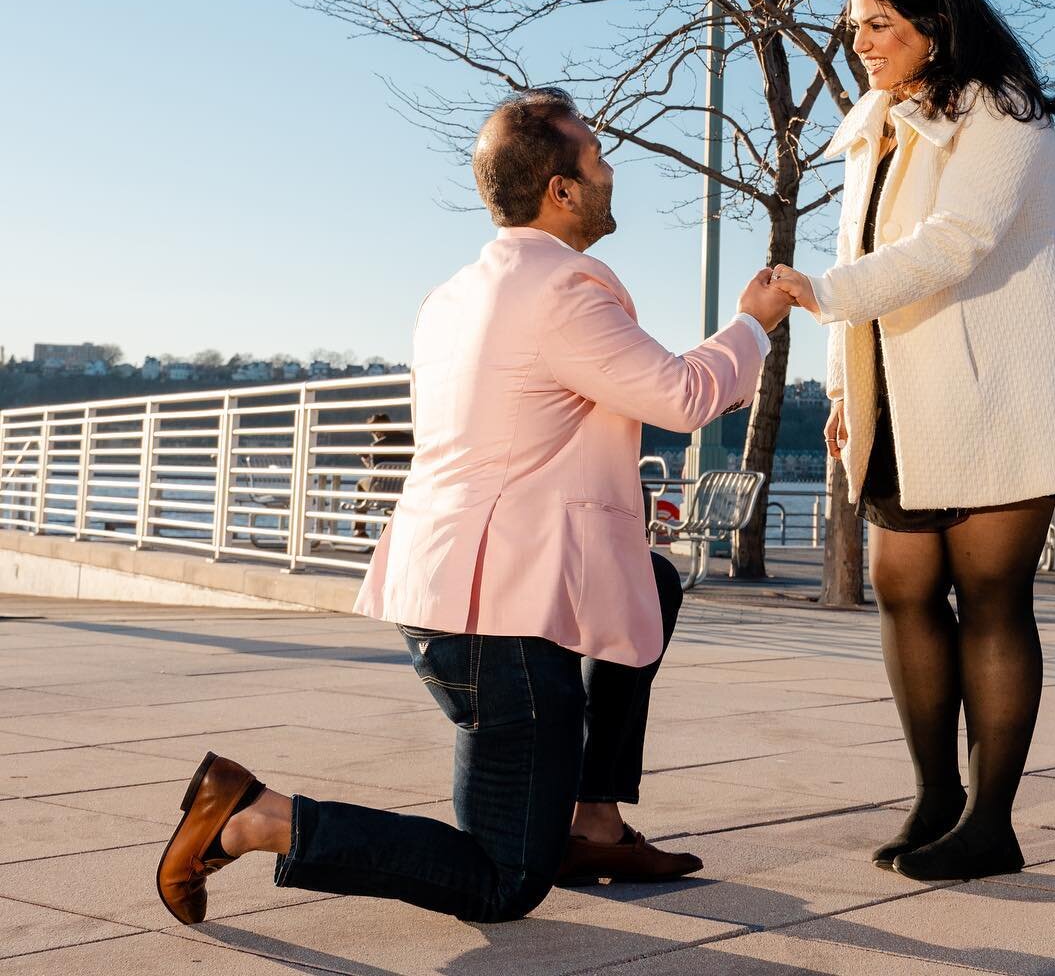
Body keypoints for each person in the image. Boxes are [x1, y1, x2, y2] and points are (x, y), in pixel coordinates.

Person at [157, 87, 790, 926]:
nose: (609, 172)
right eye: (597, 160)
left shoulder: (457, 293)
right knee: (503, 880)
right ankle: (257, 818)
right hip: (502, 621)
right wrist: (752, 324)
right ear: (560, 190)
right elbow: (680, 393)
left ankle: (591, 821)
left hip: (455, 596)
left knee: (654, 581)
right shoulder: (564, 290)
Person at [773, 0, 1055, 884]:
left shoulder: (1002, 112)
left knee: (992, 600)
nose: (863, 45)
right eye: (855, 29)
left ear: (937, 22)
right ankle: (935, 795)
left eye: (881, 25)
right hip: (902, 399)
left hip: (996, 391)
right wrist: (845, 393)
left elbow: (956, 241)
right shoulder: (878, 120)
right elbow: (872, 247)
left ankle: (992, 821)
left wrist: (823, 292)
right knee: (903, 588)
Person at [350, 411, 414, 539]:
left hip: (383, 489)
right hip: (405, 489)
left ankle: (359, 530)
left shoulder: (377, 446)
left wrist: (366, 459)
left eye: (373, 433)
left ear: (377, 432)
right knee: (391, 503)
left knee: (361, 484)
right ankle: (385, 536)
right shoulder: (410, 440)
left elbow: (375, 473)